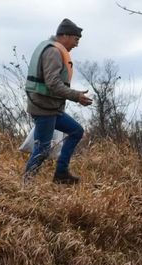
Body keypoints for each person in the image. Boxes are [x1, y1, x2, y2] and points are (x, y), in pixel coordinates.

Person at [23, 18, 93, 185]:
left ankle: (61, 173)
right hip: (44, 108)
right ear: (66, 36)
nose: (76, 44)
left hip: (50, 107)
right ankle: (27, 185)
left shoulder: (53, 49)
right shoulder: (53, 52)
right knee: (42, 149)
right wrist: (76, 96)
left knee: (76, 131)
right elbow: (53, 83)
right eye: (76, 40)